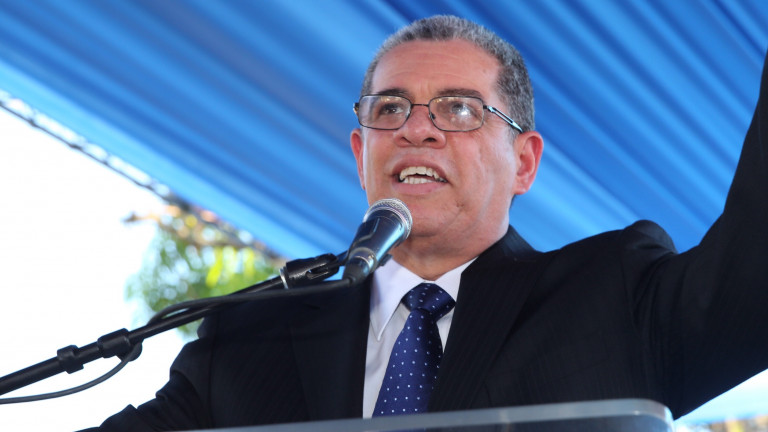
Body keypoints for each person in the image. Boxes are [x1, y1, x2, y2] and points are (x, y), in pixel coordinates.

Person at [84, 15, 768, 431]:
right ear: (361, 155)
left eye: (460, 109)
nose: (417, 129)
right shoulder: (245, 340)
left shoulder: (615, 296)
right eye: (389, 109)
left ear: (525, 162)